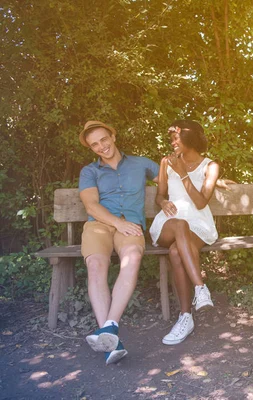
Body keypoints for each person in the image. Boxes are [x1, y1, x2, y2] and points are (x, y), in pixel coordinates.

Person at [78, 120, 159, 364]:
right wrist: (116, 223)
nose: (101, 146)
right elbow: (91, 205)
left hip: (131, 224)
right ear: (91, 149)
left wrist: (214, 179)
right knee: (95, 265)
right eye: (94, 144)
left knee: (132, 256)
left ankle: (108, 329)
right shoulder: (89, 172)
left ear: (113, 135)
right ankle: (111, 337)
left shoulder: (141, 163)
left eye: (103, 139)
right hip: (99, 224)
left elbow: (174, 177)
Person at [149, 120, 222, 345]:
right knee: (179, 225)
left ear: (190, 138)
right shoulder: (166, 162)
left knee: (175, 253)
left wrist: (182, 174)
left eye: (176, 139)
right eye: (171, 139)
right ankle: (200, 288)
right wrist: (163, 203)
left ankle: (185, 317)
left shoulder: (211, 166)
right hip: (169, 223)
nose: (172, 143)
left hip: (198, 223)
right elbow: (160, 195)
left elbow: (200, 203)